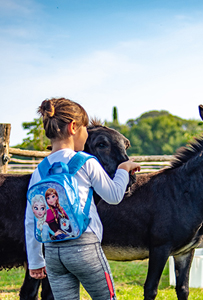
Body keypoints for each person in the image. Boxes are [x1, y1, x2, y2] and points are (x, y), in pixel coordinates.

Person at [24, 97, 140, 300]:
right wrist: (123, 169)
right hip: (84, 248)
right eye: (85, 128)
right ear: (74, 127)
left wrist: (35, 262)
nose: (87, 134)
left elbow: (32, 219)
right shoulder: (86, 162)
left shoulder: (39, 171)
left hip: (52, 253)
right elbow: (113, 196)